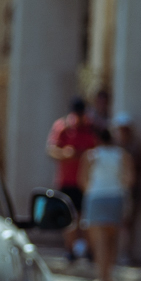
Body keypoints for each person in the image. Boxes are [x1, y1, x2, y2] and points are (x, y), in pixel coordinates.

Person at [81, 116, 137, 281]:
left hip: (96, 196)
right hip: (115, 196)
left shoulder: (90, 156)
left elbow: (82, 180)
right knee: (112, 238)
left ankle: (101, 276)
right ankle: (109, 275)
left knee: (99, 240)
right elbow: (130, 179)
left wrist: (93, 190)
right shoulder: (122, 155)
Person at [46, 98, 98, 255]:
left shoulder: (92, 127)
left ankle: (89, 250)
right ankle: (70, 250)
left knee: (86, 218)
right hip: (67, 181)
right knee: (69, 218)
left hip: (87, 182)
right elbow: (51, 150)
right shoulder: (62, 126)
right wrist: (66, 153)